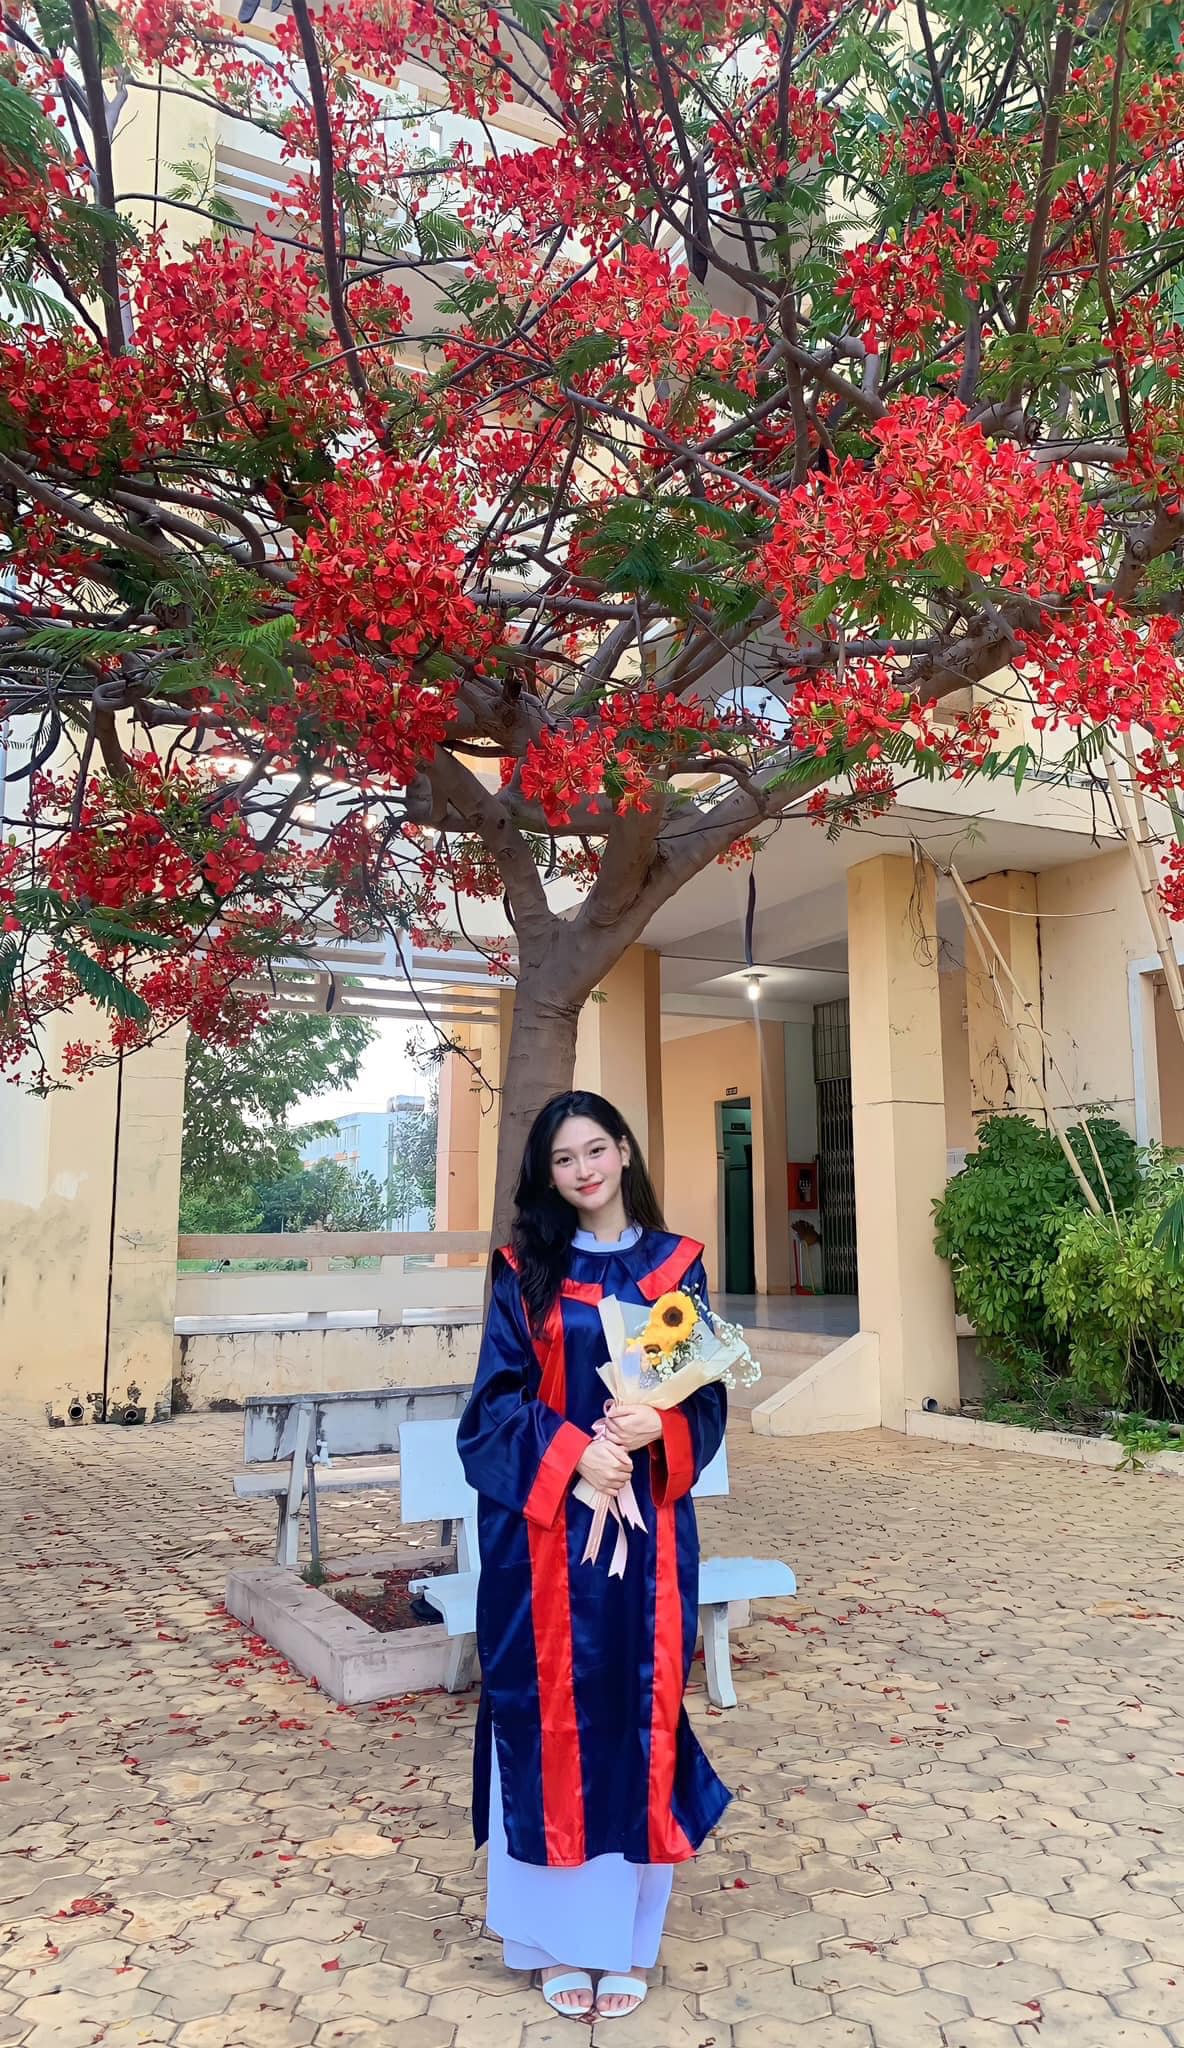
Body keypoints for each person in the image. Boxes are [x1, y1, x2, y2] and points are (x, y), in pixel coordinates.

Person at [457, 1089, 730, 2023]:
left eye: (595, 1150)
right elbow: (490, 1412)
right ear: (548, 1174)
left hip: (646, 1544)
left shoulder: (676, 1267)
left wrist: (662, 1428)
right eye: (563, 1159)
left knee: (636, 1719)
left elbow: (704, 1398)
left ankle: (625, 1944)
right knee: (546, 1722)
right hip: (544, 1546)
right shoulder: (524, 1270)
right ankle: (548, 1942)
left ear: (623, 1150)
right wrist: (576, 1455)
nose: (583, 1170)